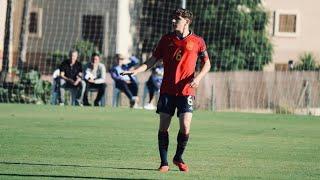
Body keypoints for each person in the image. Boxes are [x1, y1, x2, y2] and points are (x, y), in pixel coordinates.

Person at [121, 8, 211, 172]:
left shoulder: (198, 41)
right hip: (167, 90)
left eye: (177, 19)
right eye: (173, 18)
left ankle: (178, 157)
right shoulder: (166, 39)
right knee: (164, 127)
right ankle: (164, 163)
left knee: (185, 126)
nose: (173, 21)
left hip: (186, 91)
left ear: (186, 21)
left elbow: (207, 63)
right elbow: (152, 61)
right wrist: (135, 70)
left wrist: (197, 78)